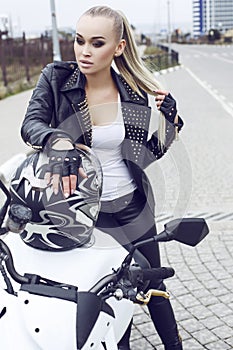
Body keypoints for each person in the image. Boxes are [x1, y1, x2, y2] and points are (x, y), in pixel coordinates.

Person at [21, 5, 184, 350]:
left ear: (119, 47)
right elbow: (31, 124)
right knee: (106, 294)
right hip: (85, 213)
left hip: (133, 207)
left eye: (97, 43)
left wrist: (170, 125)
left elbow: (146, 155)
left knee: (152, 285)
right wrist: (58, 139)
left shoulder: (132, 92)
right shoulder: (55, 78)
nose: (84, 51)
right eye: (79, 41)